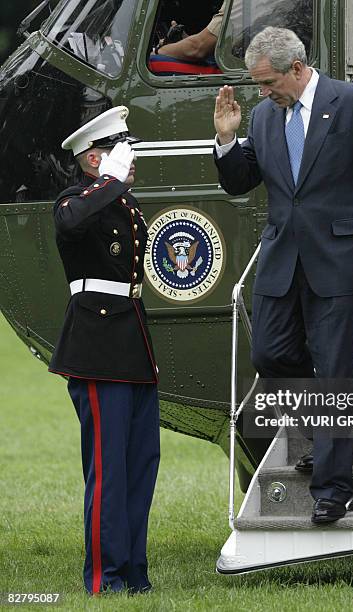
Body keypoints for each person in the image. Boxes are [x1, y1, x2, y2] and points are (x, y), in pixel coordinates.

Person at [213, 27, 353, 523]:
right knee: (270, 354)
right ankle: (328, 435)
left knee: (336, 368)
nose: (262, 92)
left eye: (268, 82)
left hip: (340, 260)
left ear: (297, 69)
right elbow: (240, 181)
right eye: (258, 85)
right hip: (282, 261)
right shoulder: (261, 116)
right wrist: (227, 139)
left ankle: (333, 489)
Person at [48, 107, 161, 594]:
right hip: (97, 347)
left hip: (131, 343)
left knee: (141, 466)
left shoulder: (122, 203)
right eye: (120, 150)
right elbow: (71, 224)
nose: (130, 159)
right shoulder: (78, 200)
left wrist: (115, 185)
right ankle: (104, 577)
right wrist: (109, 182)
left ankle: (134, 573)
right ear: (94, 159)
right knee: (108, 469)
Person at [157, 1, 224, 61]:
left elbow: (197, 49)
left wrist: (158, 51)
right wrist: (184, 41)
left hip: (219, 65)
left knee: (153, 61)